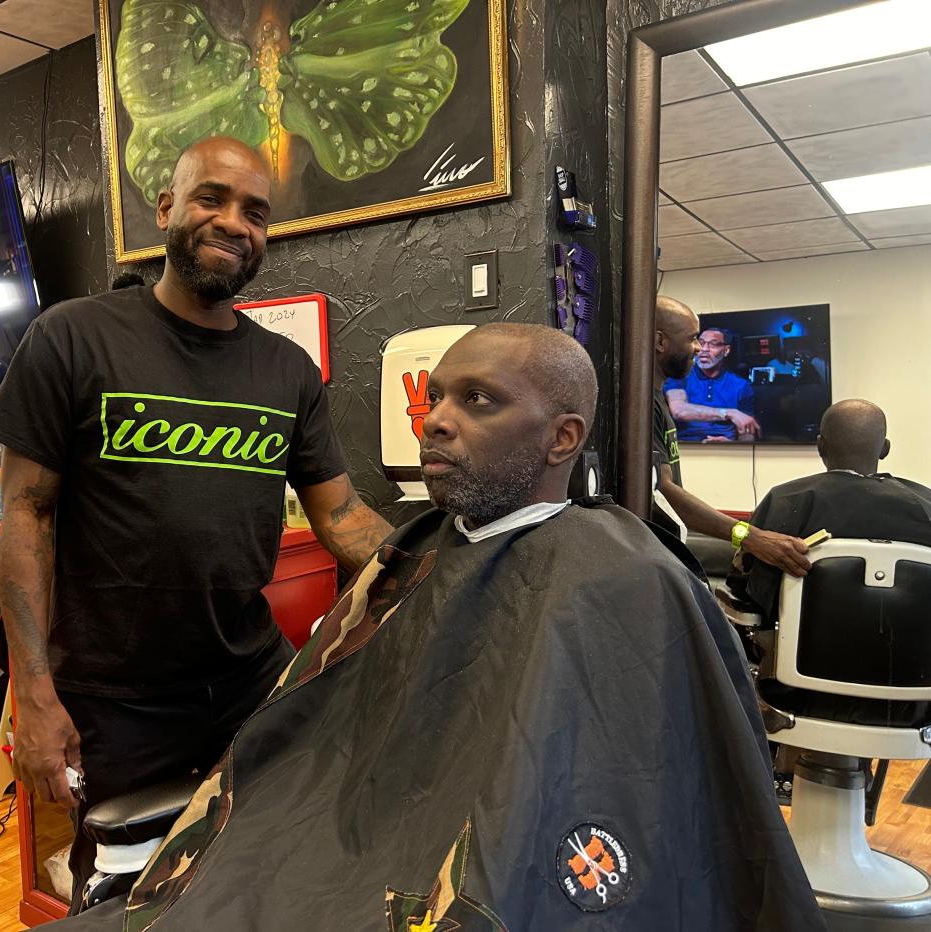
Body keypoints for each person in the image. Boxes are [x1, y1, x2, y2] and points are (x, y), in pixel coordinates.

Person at [55, 324, 823, 931]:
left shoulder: (629, 580)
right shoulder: (417, 551)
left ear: (562, 437)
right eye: (437, 399)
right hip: (310, 861)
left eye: (478, 401)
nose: (438, 423)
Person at [0, 136, 393, 912]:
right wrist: (34, 696)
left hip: (249, 681)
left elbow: (340, 514)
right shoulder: (72, 337)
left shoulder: (286, 372)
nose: (234, 222)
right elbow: (26, 515)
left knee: (255, 873)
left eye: (256, 213)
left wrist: (445, 558)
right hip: (115, 697)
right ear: (166, 209)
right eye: (212, 198)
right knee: (128, 896)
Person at [730, 398, 931, 625]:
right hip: (913, 655)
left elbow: (745, 586)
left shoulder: (784, 500)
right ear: (885, 449)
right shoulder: (926, 504)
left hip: (802, 657)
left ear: (820, 446)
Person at [653, 295, 811, 576]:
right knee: (752, 558)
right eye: (693, 339)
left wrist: (733, 440)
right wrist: (749, 536)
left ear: (726, 351)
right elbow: (664, 489)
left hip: (670, 534)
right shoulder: (651, 399)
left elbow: (749, 434)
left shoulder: (740, 386)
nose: (699, 348)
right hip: (653, 546)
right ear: (659, 342)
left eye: (709, 343)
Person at [664, 326, 758, 442]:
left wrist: (732, 446)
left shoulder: (741, 385)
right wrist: (729, 413)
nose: (704, 349)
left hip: (727, 451)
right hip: (685, 448)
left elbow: (747, 430)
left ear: (726, 350)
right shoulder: (680, 374)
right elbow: (679, 410)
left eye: (713, 344)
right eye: (701, 343)